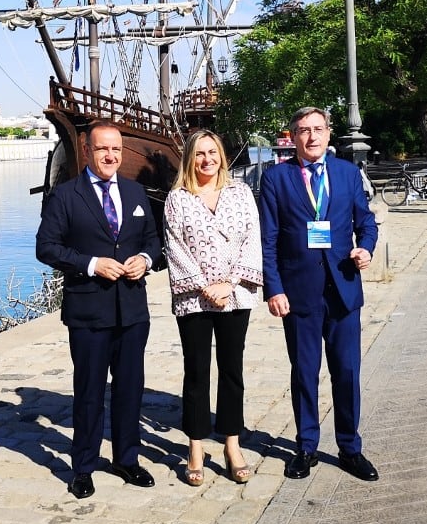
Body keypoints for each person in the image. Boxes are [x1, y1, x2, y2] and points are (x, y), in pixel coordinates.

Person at [35, 121, 162, 500]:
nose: (111, 156)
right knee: (89, 392)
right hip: (89, 312)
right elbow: (46, 247)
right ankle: (84, 466)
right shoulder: (67, 195)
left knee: (129, 390)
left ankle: (127, 459)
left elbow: (155, 242)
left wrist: (145, 258)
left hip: (132, 312)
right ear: (88, 151)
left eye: (117, 150)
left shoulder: (136, 191)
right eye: (103, 149)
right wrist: (91, 263)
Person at [260, 107, 380, 482]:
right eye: (302, 131)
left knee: (347, 373)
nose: (311, 137)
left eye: (317, 129)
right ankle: (306, 446)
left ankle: (350, 448)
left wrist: (367, 249)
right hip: (299, 295)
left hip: (344, 290)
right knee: (305, 373)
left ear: (329, 133)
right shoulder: (275, 178)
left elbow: (365, 221)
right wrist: (273, 288)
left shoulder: (347, 173)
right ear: (292, 137)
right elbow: (268, 240)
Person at [163, 130, 264, 486]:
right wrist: (205, 286)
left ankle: (231, 443)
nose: (206, 159)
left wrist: (231, 283)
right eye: (199, 154)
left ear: (221, 155)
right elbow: (174, 246)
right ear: (189, 159)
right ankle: (194, 445)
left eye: (212, 152)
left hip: (235, 295)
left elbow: (253, 238)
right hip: (194, 297)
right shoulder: (178, 199)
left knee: (231, 369)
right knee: (196, 372)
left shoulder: (241, 193)